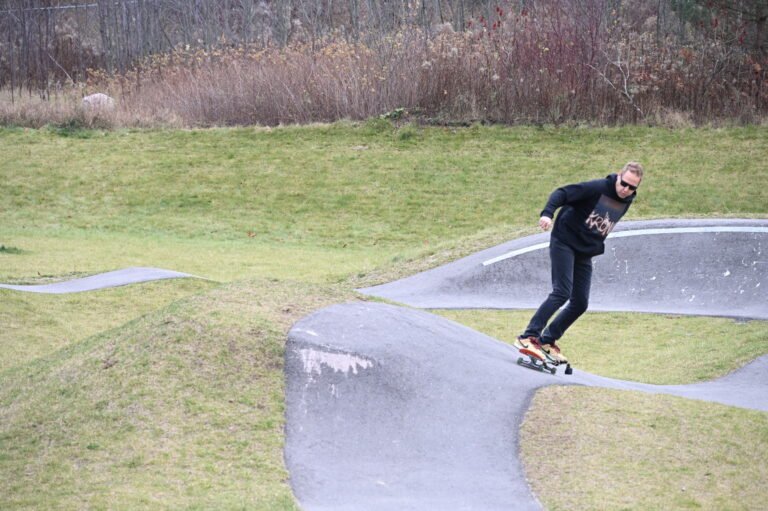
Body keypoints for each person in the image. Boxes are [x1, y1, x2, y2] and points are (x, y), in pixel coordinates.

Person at [514, 162, 644, 364]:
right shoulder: (598, 188)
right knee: (562, 292)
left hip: (584, 251)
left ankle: (547, 340)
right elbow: (562, 192)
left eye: (631, 187)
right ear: (618, 177)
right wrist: (547, 213)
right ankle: (527, 337)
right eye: (624, 184)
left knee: (580, 302)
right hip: (564, 241)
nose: (626, 190)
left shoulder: (627, 199)